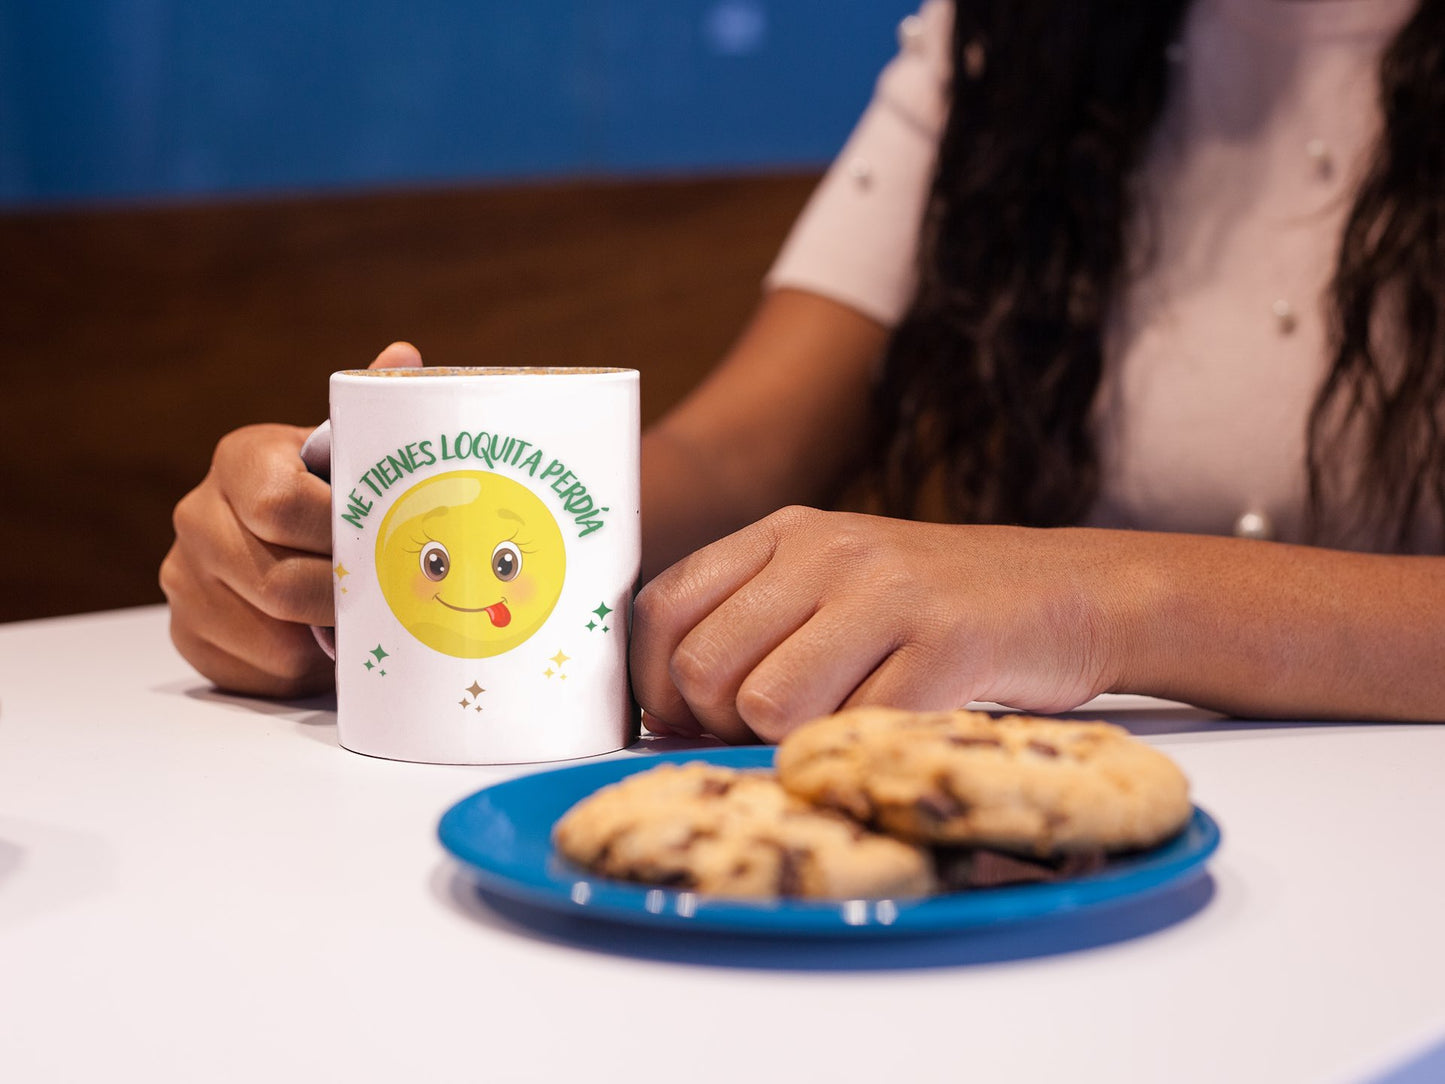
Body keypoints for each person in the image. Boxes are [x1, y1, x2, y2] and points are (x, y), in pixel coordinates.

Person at [160, 0, 1445, 744]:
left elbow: (1081, 595)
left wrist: (1089, 596)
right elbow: (734, 452)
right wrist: (395, 543)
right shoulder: (1009, 39)